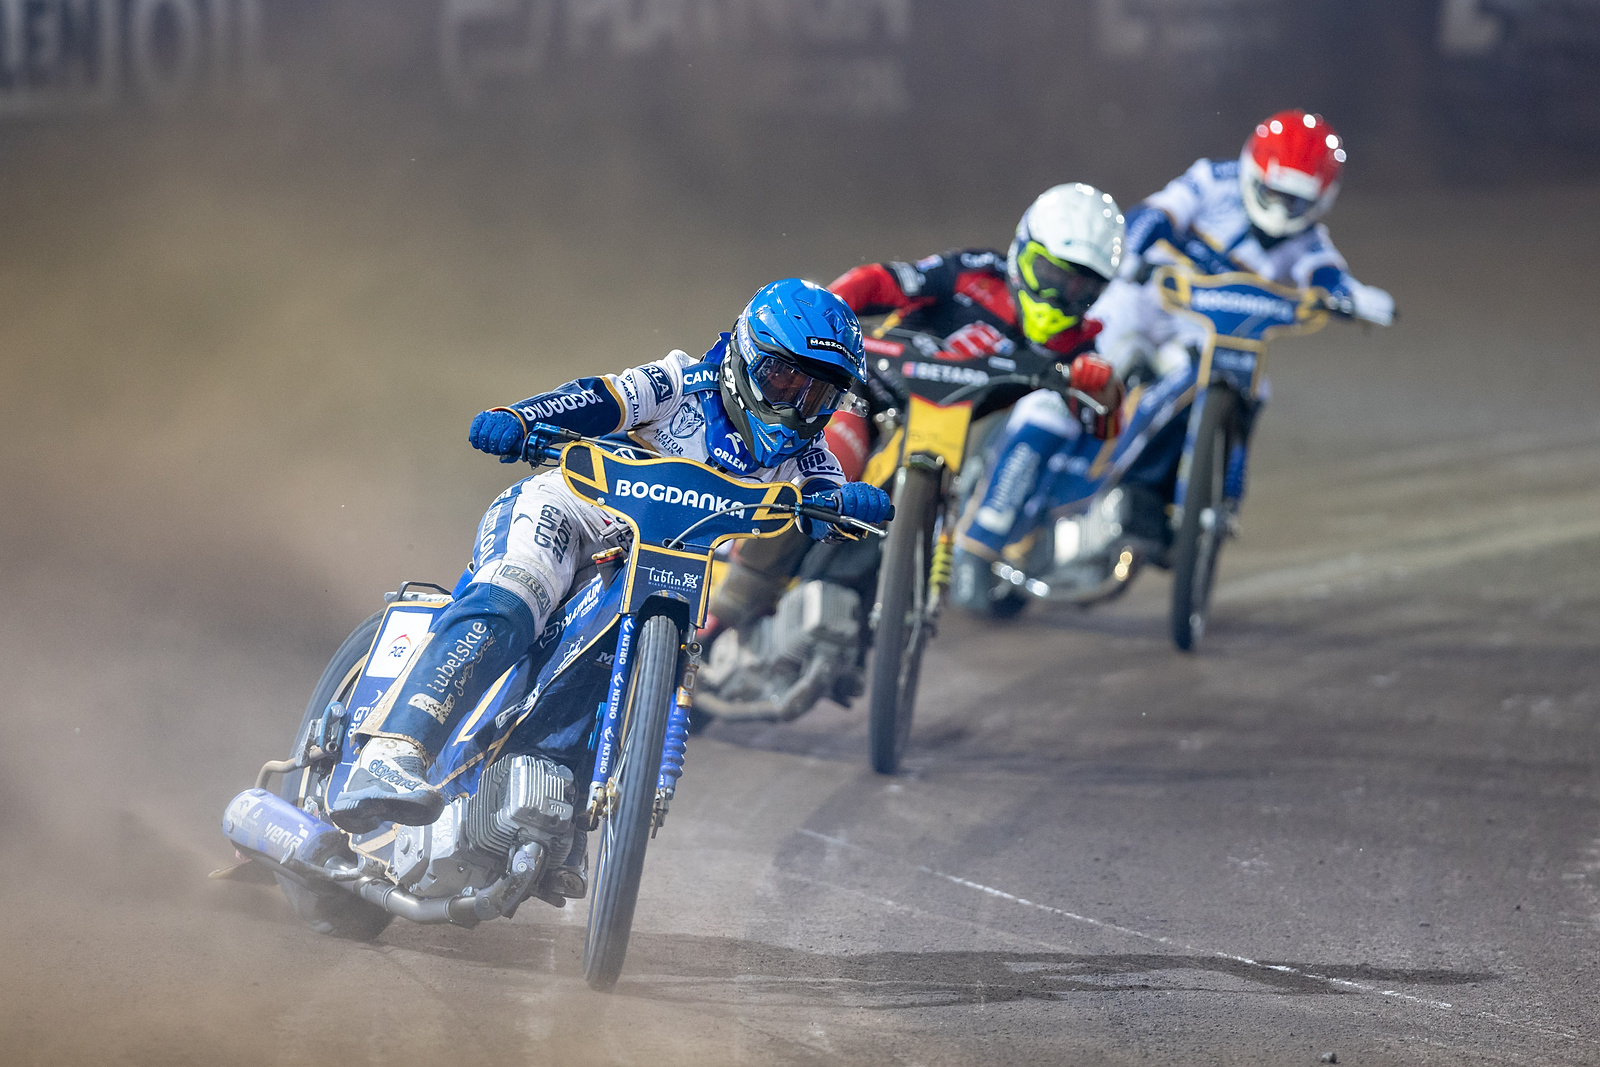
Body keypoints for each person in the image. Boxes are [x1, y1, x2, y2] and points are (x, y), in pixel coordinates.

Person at [329, 278, 893, 833]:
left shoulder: (810, 454)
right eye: (784, 379)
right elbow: (601, 398)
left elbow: (827, 497)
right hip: (570, 512)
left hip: (653, 565)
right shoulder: (680, 381)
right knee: (516, 594)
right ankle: (391, 754)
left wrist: (851, 504)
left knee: (606, 671)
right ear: (746, 359)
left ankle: (546, 814)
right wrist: (523, 417)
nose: (797, 406)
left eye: (817, 393)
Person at [955, 110, 1395, 570]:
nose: (1282, 210)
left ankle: (1191, 505)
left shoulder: (1308, 241)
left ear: (1322, 199)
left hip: (1203, 339)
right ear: (1252, 171)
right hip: (1139, 310)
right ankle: (981, 535)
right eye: (1274, 192)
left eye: (1297, 203)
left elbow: (1328, 275)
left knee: (1254, 388)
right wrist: (1135, 249)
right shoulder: (1211, 181)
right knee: (1064, 389)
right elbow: (1158, 213)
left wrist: (1356, 300)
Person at [704, 183, 1128, 635]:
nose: (1059, 297)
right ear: (1022, 252)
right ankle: (735, 594)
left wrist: (1105, 391)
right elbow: (882, 281)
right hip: (863, 396)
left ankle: (857, 611)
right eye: (1051, 275)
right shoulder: (972, 271)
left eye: (1080, 289)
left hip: (940, 437)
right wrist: (823, 318)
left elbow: (1098, 428)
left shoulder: (1080, 346)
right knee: (831, 461)